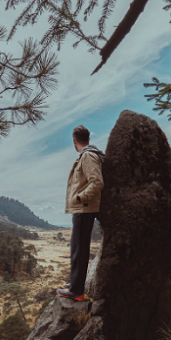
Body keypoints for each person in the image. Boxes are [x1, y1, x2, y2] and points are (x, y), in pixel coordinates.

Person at [57, 125, 104, 301]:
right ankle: (75, 283)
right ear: (88, 139)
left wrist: (79, 198)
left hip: (84, 208)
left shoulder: (88, 156)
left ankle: (76, 291)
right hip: (82, 208)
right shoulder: (88, 154)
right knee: (76, 247)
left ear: (74, 140)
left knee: (80, 249)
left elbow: (97, 182)